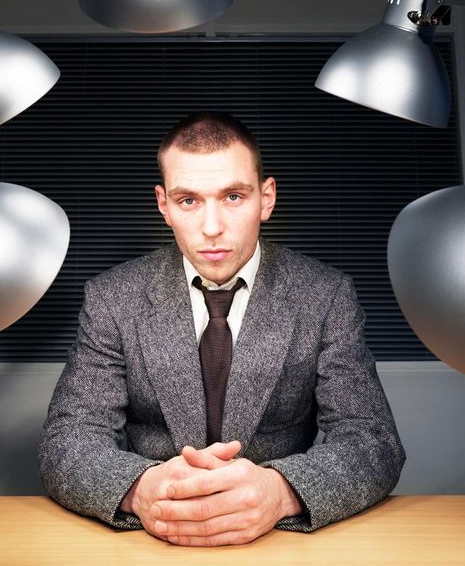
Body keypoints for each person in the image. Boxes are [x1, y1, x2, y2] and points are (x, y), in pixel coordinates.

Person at [39, 112, 404, 547]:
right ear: (164, 205)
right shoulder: (112, 298)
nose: (212, 228)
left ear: (266, 198)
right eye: (188, 200)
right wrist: (143, 490)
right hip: (147, 543)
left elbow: (373, 441)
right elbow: (67, 440)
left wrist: (280, 492)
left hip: (280, 544)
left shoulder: (326, 296)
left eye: (233, 196)